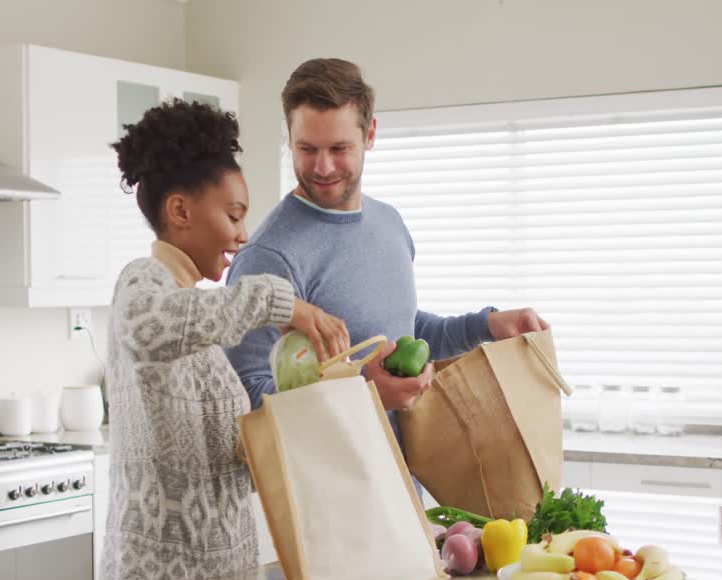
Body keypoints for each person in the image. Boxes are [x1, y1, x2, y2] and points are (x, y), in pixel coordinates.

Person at [99, 99, 350, 580]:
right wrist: (281, 303)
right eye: (233, 215)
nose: (241, 234)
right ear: (180, 210)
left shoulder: (201, 329)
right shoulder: (141, 284)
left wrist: (304, 403)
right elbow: (154, 328)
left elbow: (220, 463)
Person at [226, 58, 548, 417]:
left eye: (338, 148)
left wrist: (486, 325)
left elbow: (403, 329)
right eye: (307, 149)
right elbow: (246, 399)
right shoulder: (269, 256)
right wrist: (364, 391)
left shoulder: (389, 223)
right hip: (330, 473)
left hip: (402, 471)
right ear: (289, 140)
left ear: (370, 135)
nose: (322, 167)